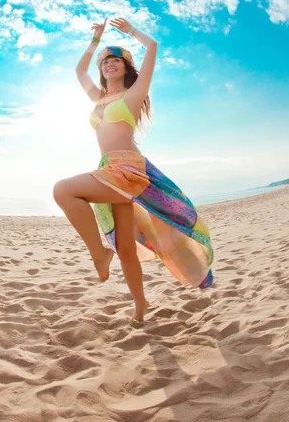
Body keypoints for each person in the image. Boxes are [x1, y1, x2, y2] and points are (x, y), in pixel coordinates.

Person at [53, 17, 214, 322]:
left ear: (126, 68)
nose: (109, 64)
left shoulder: (133, 94)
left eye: (116, 61)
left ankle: (99, 254)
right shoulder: (99, 98)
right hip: (107, 169)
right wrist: (96, 41)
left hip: (127, 169)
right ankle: (141, 305)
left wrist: (130, 32)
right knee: (126, 249)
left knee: (63, 189)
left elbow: (152, 46)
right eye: (105, 62)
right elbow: (78, 70)